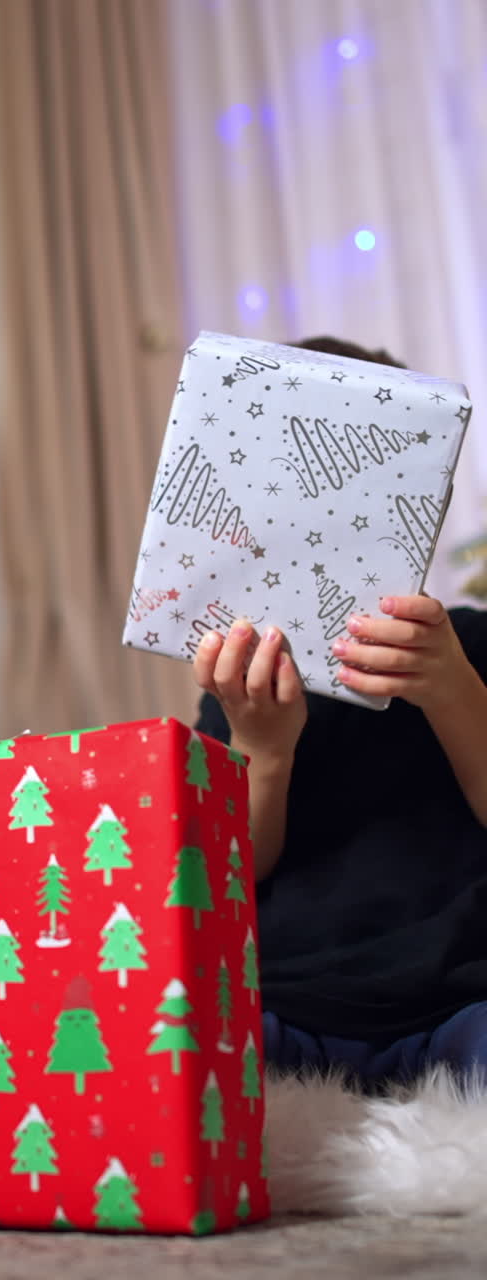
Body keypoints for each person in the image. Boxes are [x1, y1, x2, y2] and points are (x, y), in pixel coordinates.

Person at [194, 338, 487, 1089]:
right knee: (170, 1056)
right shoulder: (242, 676)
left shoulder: (469, 643)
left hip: (459, 997)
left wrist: (451, 687)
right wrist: (264, 750)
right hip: (285, 999)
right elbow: (231, 871)